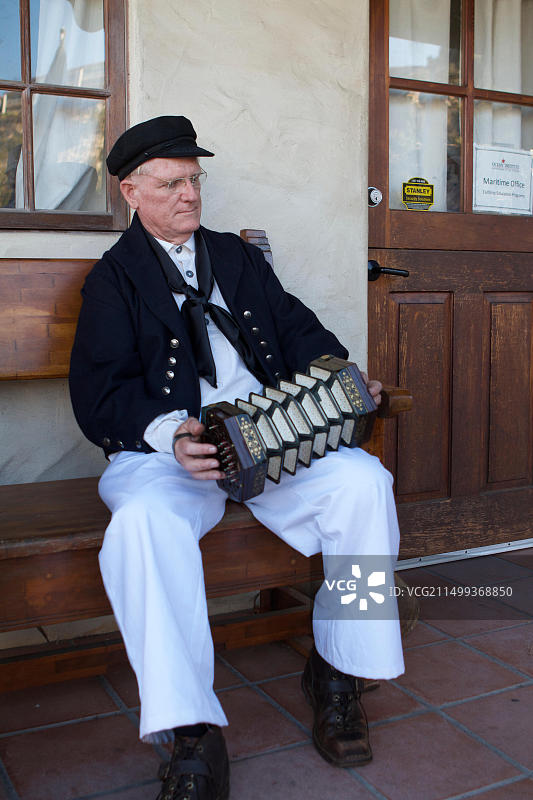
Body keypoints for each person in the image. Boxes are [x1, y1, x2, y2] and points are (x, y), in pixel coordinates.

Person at [69, 115, 405, 800]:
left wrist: (341, 378)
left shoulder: (238, 257)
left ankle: (340, 671)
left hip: (267, 441)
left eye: (195, 180)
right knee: (143, 527)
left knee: (364, 483)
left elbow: (297, 328)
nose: (189, 195)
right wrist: (171, 436)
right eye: (170, 184)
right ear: (132, 191)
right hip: (169, 453)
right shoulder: (112, 280)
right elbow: (98, 393)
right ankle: (189, 729)